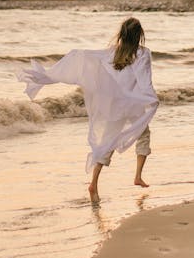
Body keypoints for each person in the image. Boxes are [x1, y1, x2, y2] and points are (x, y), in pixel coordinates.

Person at [17, 17, 159, 202]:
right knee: (143, 135)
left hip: (113, 105)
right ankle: (138, 176)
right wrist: (151, 98)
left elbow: (85, 57)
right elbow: (144, 80)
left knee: (108, 142)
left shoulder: (112, 54)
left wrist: (49, 74)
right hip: (133, 103)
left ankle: (94, 184)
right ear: (139, 35)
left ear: (122, 34)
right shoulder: (142, 53)